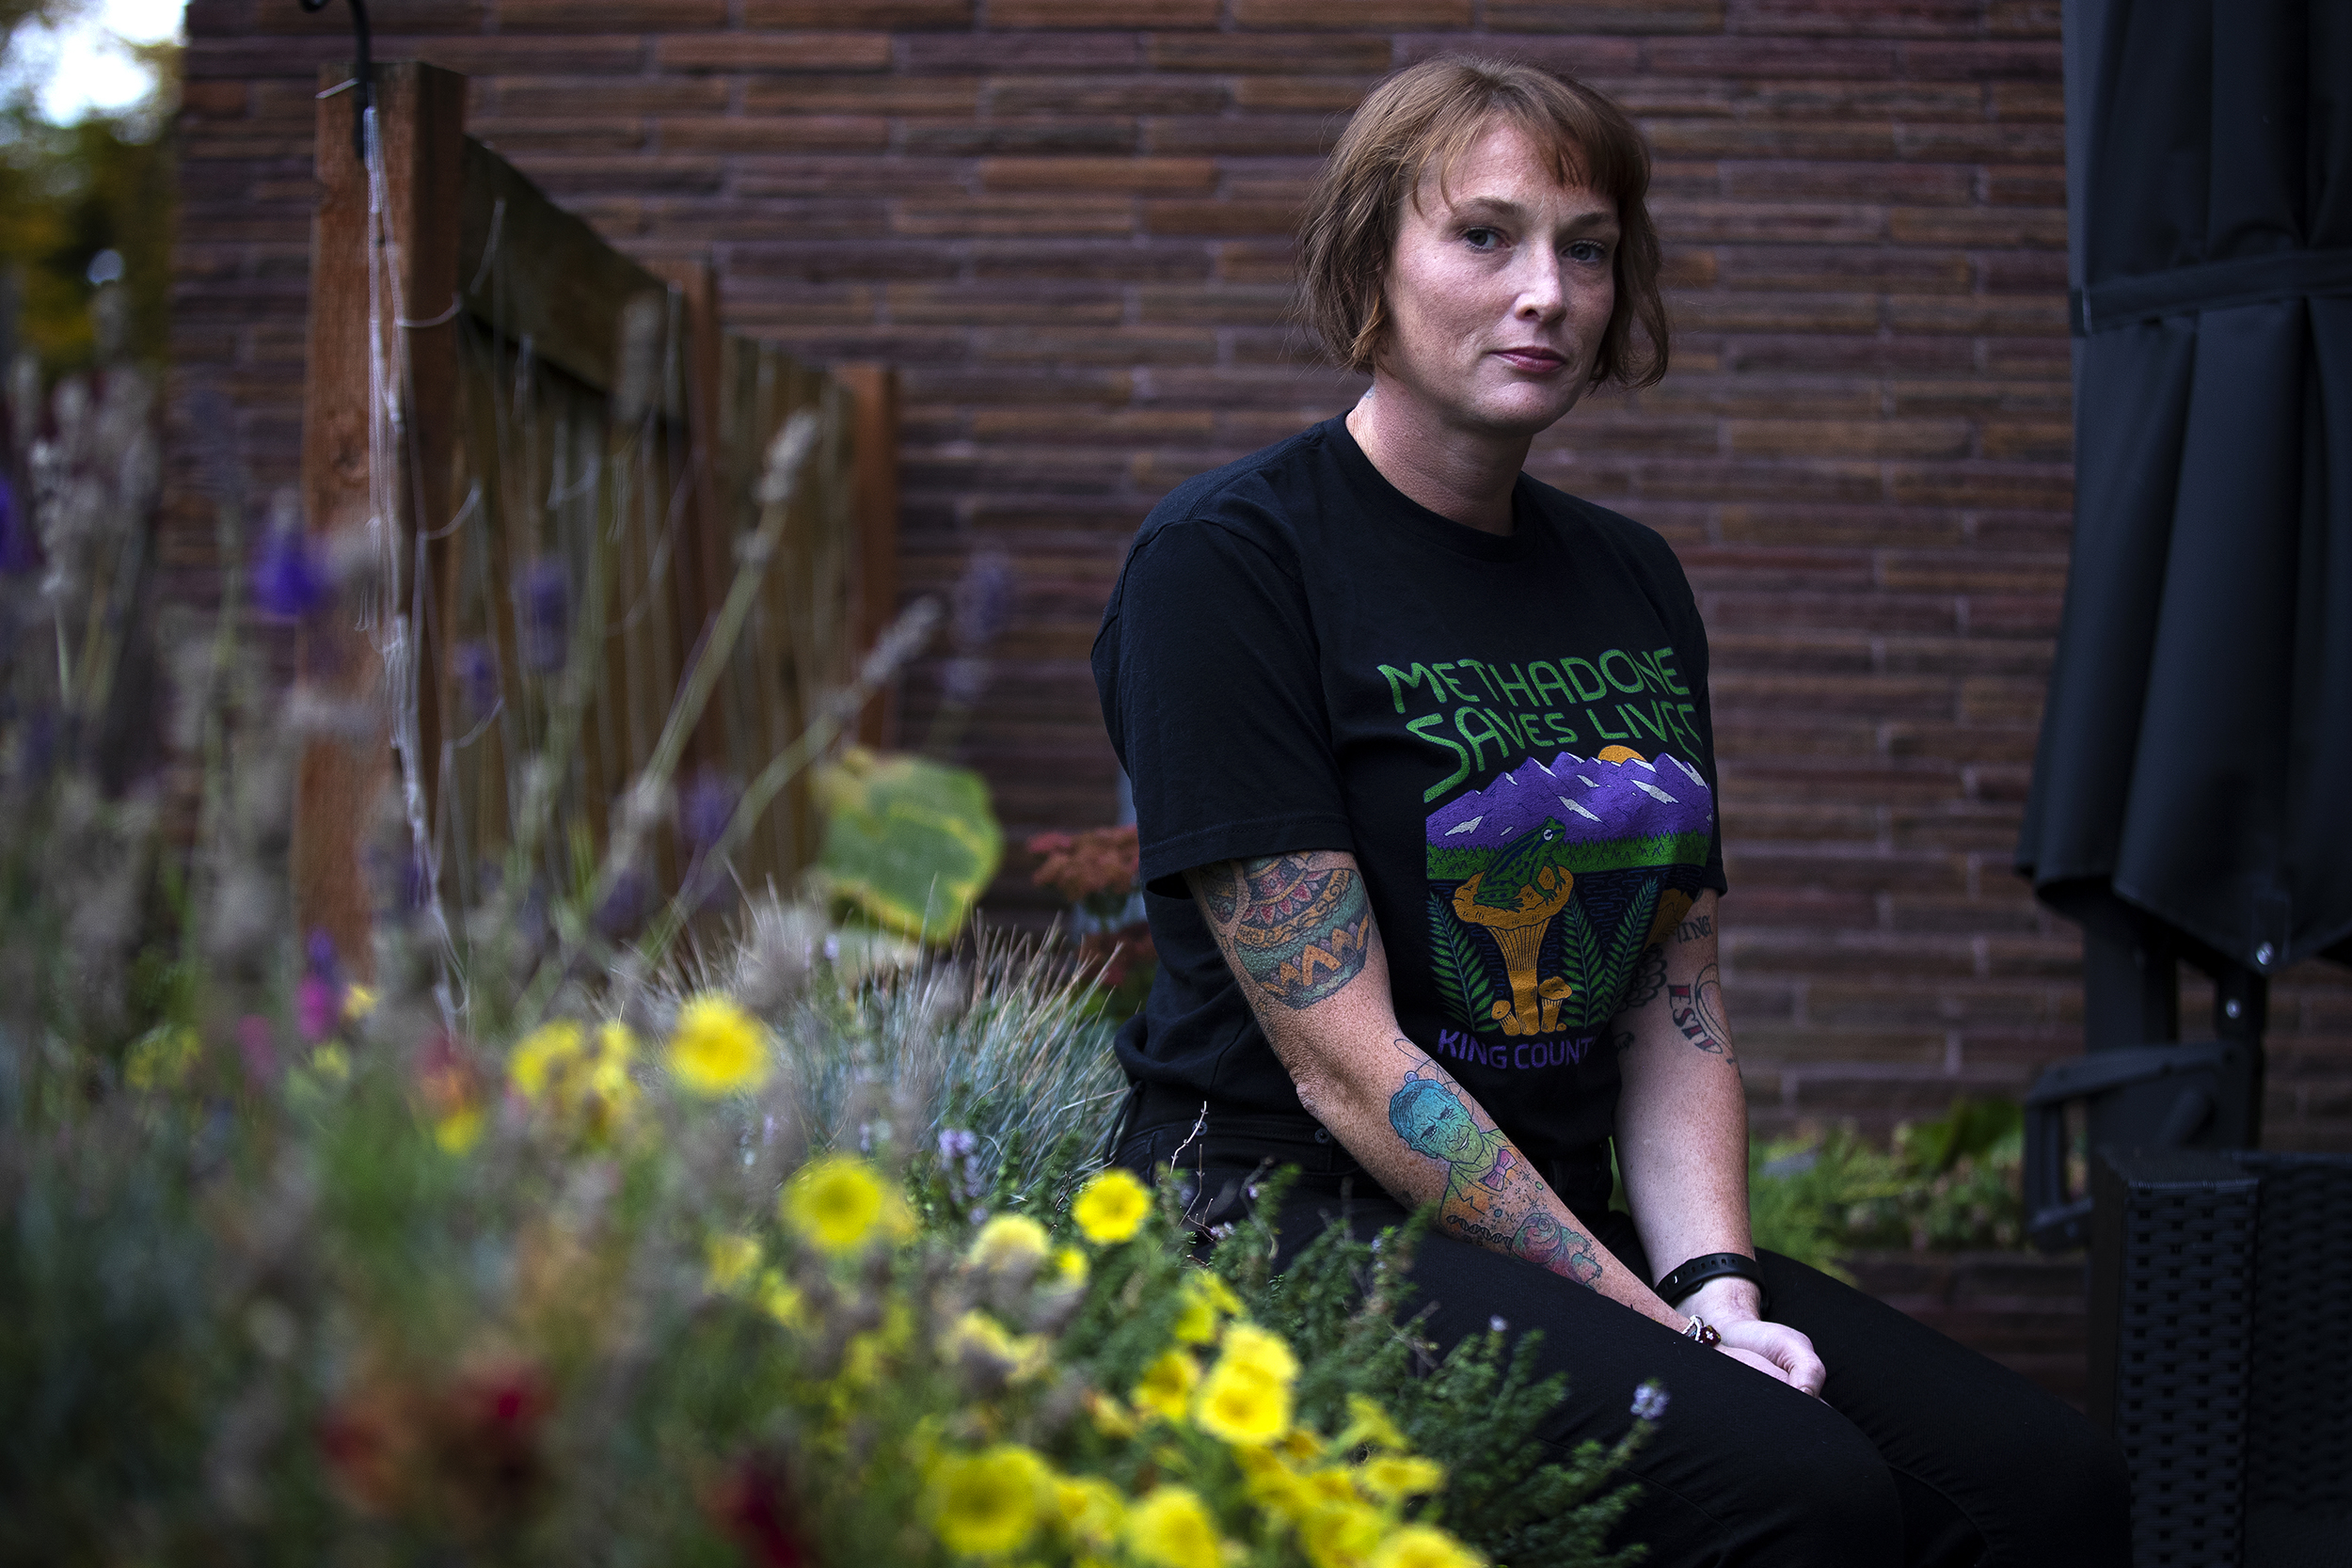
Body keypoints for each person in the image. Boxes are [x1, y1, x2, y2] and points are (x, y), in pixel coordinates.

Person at [1090, 55, 2129, 1568]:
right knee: (1798, 1489)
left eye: (1587, 247)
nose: (1549, 294)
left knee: (2048, 1486)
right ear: (1370, 260)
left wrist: (1717, 1286)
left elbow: (1670, 992)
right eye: (1487, 237)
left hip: (1572, 1209)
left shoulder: (1630, 577)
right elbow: (1344, 1066)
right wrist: (1655, 1323)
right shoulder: (1228, 565)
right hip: (1288, 1224)